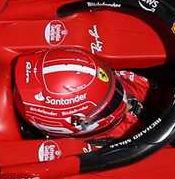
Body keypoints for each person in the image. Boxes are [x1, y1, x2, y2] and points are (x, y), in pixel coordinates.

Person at [13, 47, 150, 139]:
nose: (125, 102)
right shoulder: (96, 153)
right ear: (76, 123)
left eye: (116, 89)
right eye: (109, 107)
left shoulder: (120, 80)